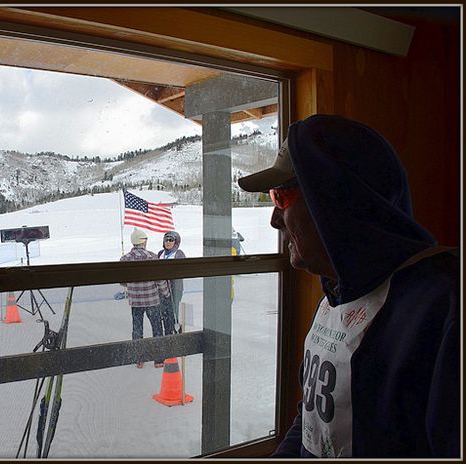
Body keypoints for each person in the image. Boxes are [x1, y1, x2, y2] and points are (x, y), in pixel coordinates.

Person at [238, 114, 459, 458]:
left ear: (334, 200)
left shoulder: (445, 306)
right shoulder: (338, 294)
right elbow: (315, 422)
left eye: (282, 197)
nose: (273, 219)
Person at [120, 228, 171, 368]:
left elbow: (122, 281)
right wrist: (166, 293)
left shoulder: (125, 259)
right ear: (143, 242)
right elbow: (160, 280)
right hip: (152, 300)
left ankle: (138, 358)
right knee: (157, 328)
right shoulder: (152, 257)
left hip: (135, 301)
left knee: (137, 328)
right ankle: (159, 359)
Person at [157, 231, 186, 334]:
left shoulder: (179, 254)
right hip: (162, 289)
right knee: (164, 312)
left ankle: (176, 332)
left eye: (171, 240)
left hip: (175, 288)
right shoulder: (161, 253)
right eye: (166, 240)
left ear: (176, 242)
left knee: (173, 312)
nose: (168, 242)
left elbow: (181, 270)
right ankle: (167, 332)